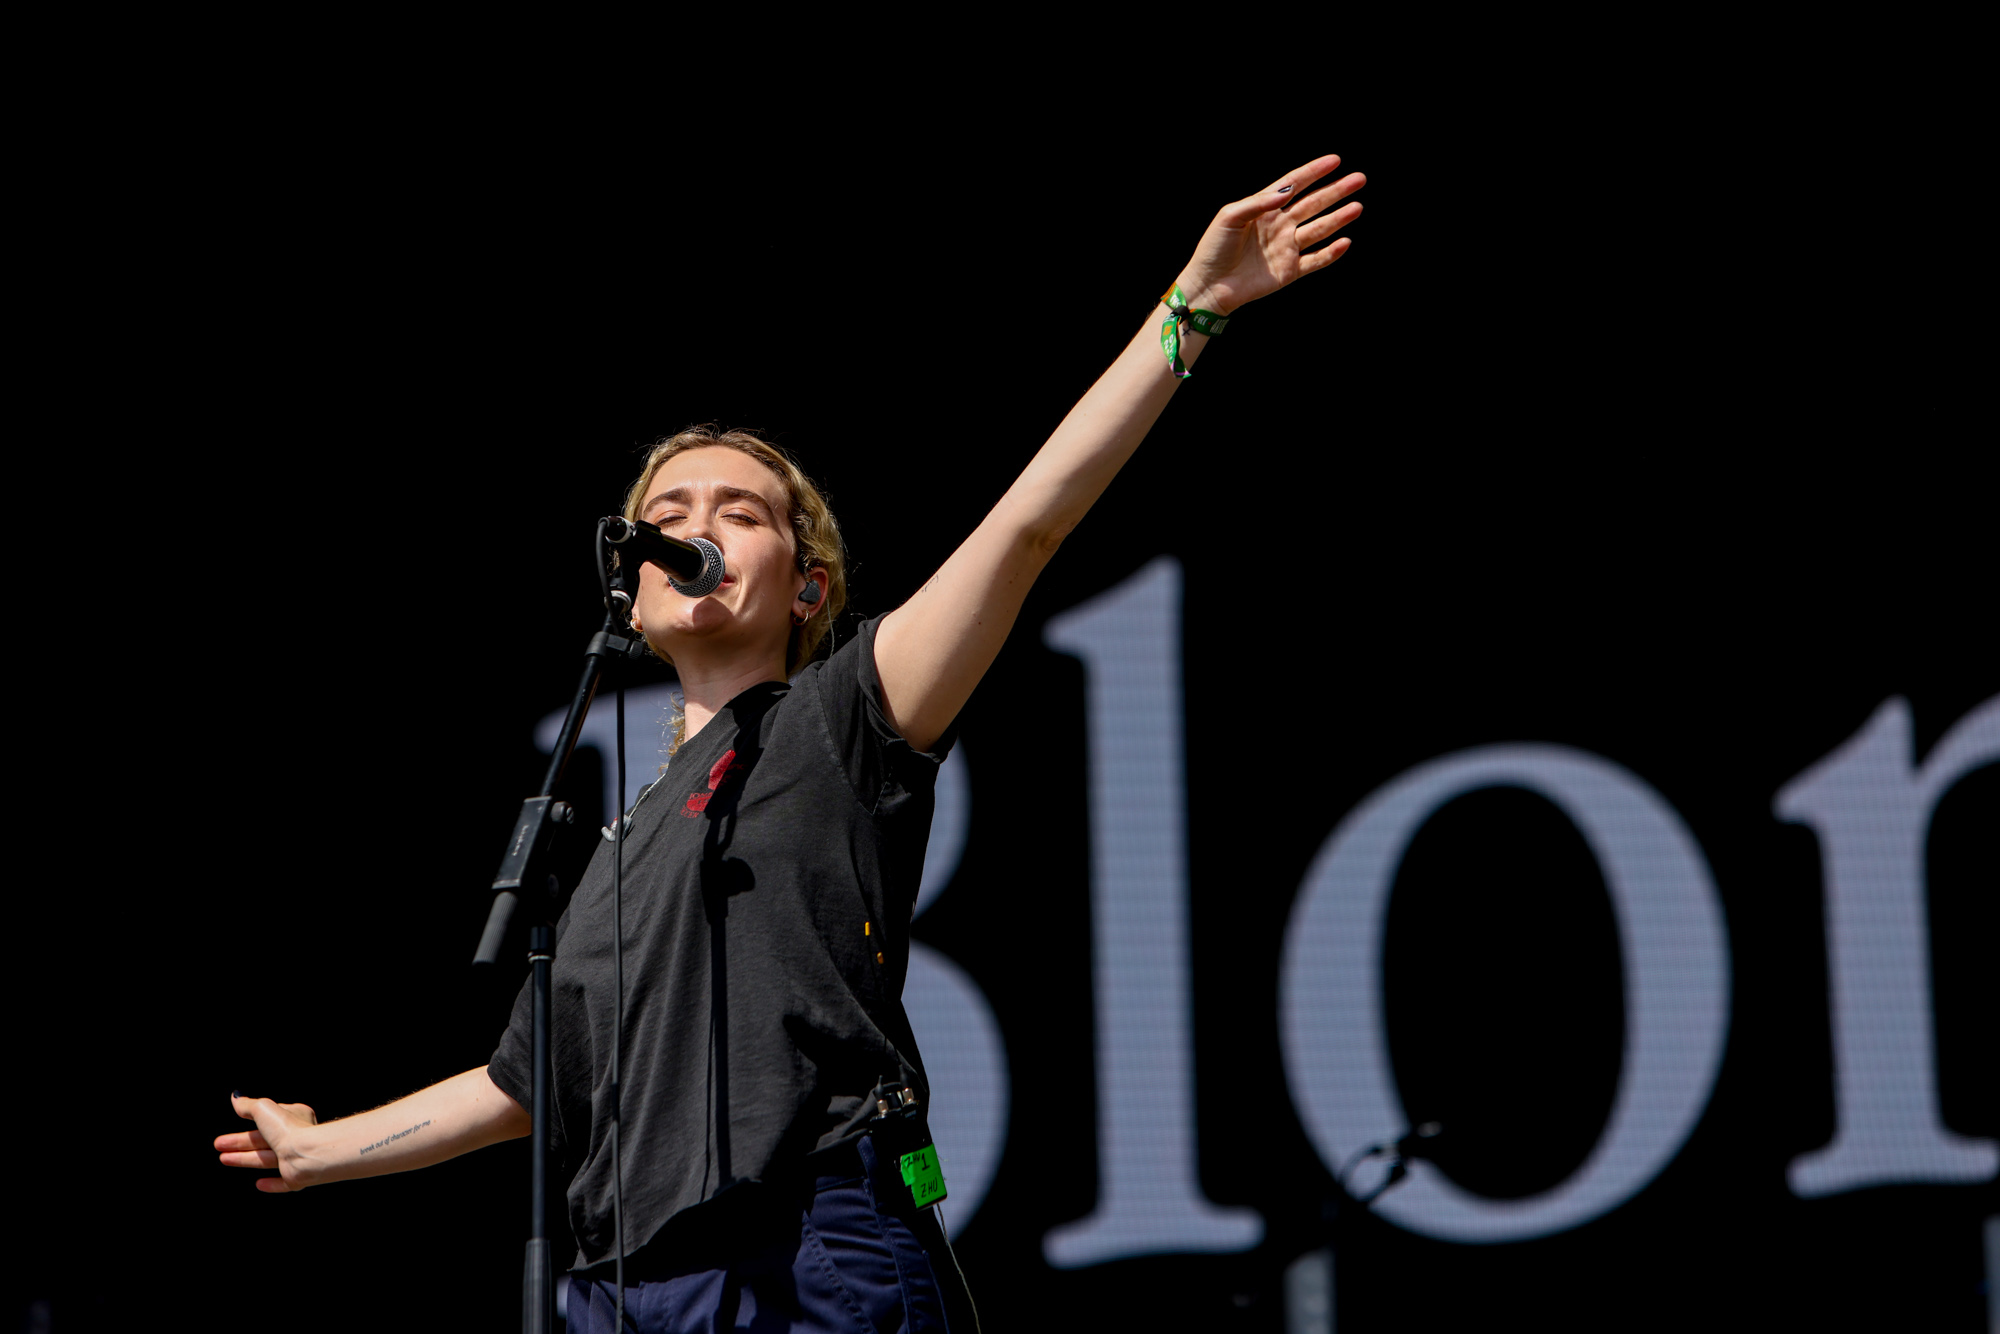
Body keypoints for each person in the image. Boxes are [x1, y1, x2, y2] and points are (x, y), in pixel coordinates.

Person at [215, 152, 1367, 1332]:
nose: (694, 528)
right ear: (629, 586)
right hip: (626, 1281)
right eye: (666, 514)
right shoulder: (616, 848)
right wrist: (322, 1150)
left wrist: (1187, 311)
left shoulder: (838, 716)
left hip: (807, 1247)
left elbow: (1026, 524)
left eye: (739, 511)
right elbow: (526, 1081)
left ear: (808, 583)